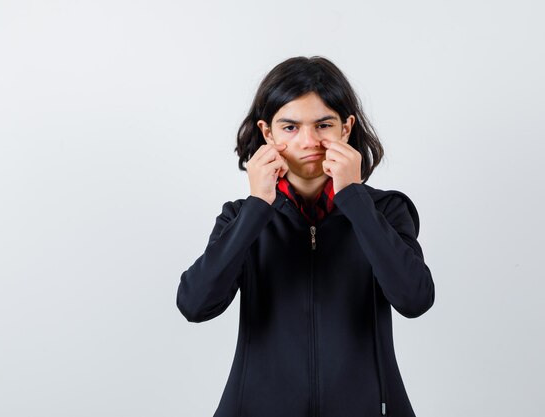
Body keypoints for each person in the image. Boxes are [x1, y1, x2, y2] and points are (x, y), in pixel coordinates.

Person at [176, 56, 435, 417]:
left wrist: (354, 199)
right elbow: (195, 304)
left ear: (346, 129)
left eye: (324, 124)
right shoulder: (241, 217)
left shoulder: (386, 211)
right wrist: (256, 207)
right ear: (268, 133)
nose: (309, 141)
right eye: (290, 127)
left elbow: (415, 299)